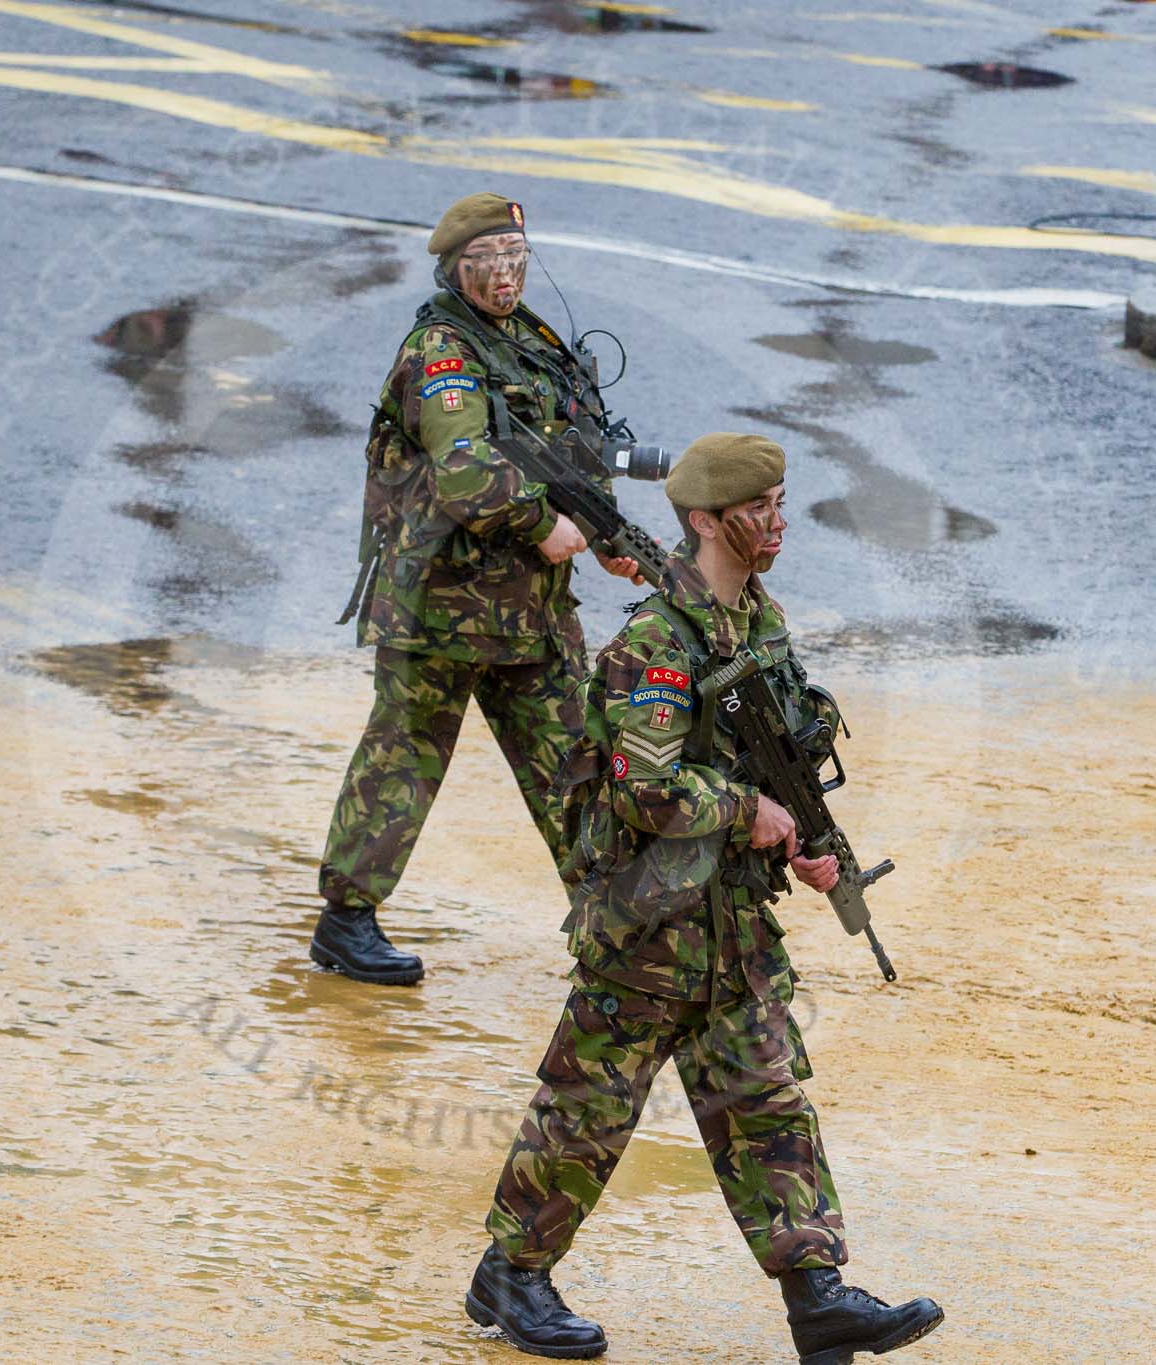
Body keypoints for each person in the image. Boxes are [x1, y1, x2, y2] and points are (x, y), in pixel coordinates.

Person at [467, 435, 943, 1363]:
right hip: (648, 925)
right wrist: (745, 811)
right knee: (589, 1107)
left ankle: (818, 1295)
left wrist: (804, 841)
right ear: (703, 521)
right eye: (758, 508)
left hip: (729, 926)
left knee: (768, 1101)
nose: (777, 521)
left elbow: (775, 758)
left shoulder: (756, 622)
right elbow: (639, 788)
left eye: (780, 501)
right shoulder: (657, 641)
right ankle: (512, 1273)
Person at [313, 193, 639, 985]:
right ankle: (346, 923)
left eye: (515, 258)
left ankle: (613, 926)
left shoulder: (529, 342)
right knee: (403, 758)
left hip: (530, 611)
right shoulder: (443, 353)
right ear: (454, 268)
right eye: (487, 261)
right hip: (441, 607)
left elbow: (569, 454)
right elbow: (463, 469)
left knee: (576, 760)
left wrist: (601, 535)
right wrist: (542, 526)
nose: (505, 274)